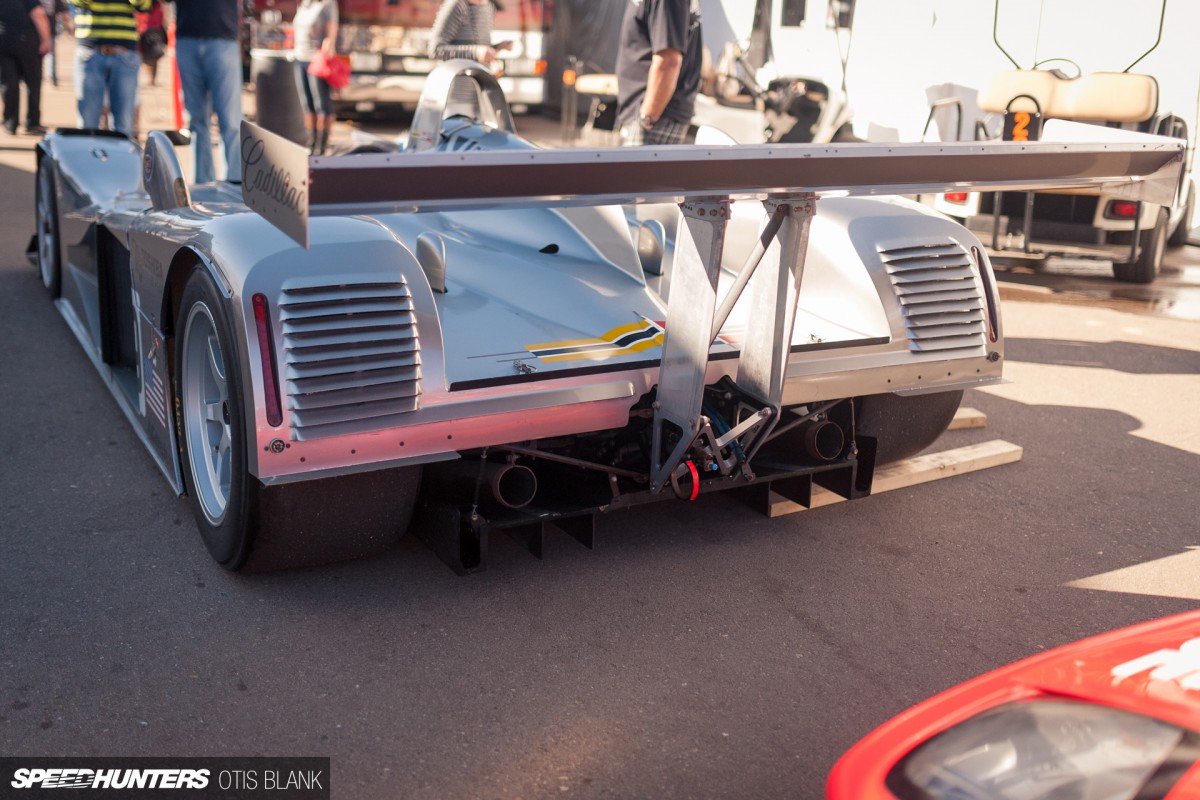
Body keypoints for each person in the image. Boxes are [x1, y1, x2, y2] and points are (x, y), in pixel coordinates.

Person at [169, 0, 244, 182]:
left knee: (230, 119)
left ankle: (235, 184)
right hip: (187, 38)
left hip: (222, 38)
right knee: (196, 119)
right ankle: (203, 184)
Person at [615, 0, 702, 146]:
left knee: (638, 169)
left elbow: (669, 61)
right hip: (650, 115)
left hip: (656, 119)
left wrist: (647, 118)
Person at [72, 0, 152, 137]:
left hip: (125, 52)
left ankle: (121, 158)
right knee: (86, 124)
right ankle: (87, 158)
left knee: (124, 126)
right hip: (90, 50)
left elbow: (143, 5)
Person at [291, 0, 337, 155]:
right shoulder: (304, 4)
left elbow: (331, 32)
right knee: (307, 104)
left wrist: (326, 56)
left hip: (316, 60)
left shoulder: (327, 4)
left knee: (321, 104)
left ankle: (322, 146)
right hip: (299, 58)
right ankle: (310, 143)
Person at [0, 0, 51, 135]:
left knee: (8, 84)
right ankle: (32, 122)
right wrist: (46, 39)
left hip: (3, 41)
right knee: (33, 83)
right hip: (27, 42)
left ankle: (10, 122)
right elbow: (38, 14)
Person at [429, 0, 509, 67]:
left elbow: (479, 47)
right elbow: (436, 50)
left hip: (480, 81)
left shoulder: (489, 6)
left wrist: (497, 47)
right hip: (458, 81)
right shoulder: (457, 4)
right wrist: (475, 52)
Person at [134, 0, 165, 86]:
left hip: (153, 32)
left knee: (155, 57)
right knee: (141, 56)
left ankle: (152, 79)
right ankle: (145, 78)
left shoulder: (157, 4)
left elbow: (159, 17)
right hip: (143, 32)